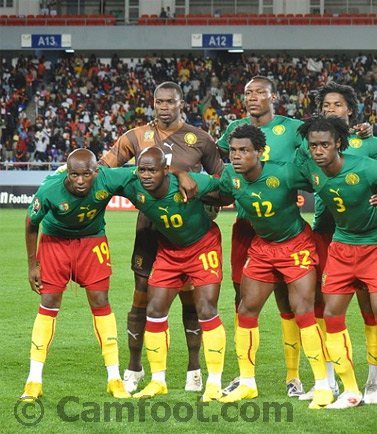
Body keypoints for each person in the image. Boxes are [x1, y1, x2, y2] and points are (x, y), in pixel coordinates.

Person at [217, 76, 373, 398]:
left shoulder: (292, 131)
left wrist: (358, 137)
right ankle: (246, 379)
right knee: (243, 302)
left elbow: (321, 150)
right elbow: (216, 169)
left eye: (260, 92)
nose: (253, 97)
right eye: (248, 92)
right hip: (250, 230)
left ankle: (304, 379)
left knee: (298, 306)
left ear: (273, 96)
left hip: (291, 232)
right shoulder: (233, 137)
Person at [100, 81, 224, 394]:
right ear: (153, 103)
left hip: (187, 232)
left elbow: (221, 181)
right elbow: (104, 168)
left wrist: (208, 204)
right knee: (141, 297)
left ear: (182, 103)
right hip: (149, 229)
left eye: (170, 102)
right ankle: (134, 367)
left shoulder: (201, 139)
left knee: (191, 301)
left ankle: (194, 369)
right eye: (159, 102)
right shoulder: (135, 136)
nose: (164, 107)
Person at [217, 124, 332, 409]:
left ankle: (322, 385)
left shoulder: (285, 172)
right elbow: (216, 192)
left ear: (260, 152)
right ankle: (247, 383)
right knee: (246, 309)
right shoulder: (231, 175)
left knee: (303, 311)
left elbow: (320, 181)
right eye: (233, 150)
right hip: (262, 247)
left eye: (244, 150)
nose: (236, 156)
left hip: (296, 245)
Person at [297, 115, 377, 411]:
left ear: (338, 144)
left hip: (375, 246)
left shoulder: (367, 167)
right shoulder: (310, 168)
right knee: (331, 315)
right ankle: (350, 391)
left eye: (325, 145)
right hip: (341, 247)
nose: (319, 151)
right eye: (313, 145)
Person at [20, 149, 131, 401]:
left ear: (96, 172)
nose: (80, 181)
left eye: (86, 175)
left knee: (101, 302)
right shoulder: (50, 188)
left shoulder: (107, 178)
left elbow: (141, 174)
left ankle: (114, 378)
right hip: (54, 242)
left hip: (92, 241)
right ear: (67, 173)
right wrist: (32, 264)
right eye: (74, 175)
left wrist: (179, 173)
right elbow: (31, 223)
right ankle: (33, 381)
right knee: (48, 303)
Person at [119, 147, 226, 401]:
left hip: (202, 246)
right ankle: (158, 381)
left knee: (206, 309)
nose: (146, 175)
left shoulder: (193, 182)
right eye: (142, 170)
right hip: (169, 250)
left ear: (165, 170)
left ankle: (214, 382)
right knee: (154, 309)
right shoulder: (133, 184)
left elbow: (226, 188)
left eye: (152, 170)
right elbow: (99, 174)